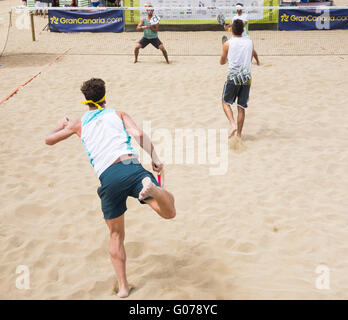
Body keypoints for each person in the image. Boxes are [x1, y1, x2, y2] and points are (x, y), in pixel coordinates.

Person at [45, 78, 176, 298]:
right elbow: (140, 135)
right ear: (105, 96)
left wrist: (61, 124)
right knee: (169, 212)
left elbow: (48, 140)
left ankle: (123, 287)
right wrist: (154, 158)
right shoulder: (118, 114)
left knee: (116, 235)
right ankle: (153, 189)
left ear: (85, 101)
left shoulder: (78, 123)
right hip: (130, 165)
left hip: (108, 177)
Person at [220, 19, 254, 139]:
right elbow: (249, 59)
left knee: (225, 102)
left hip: (234, 77)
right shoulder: (250, 42)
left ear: (232, 29)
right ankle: (239, 136)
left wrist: (224, 49)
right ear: (243, 30)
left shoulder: (228, 44)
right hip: (246, 77)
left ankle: (233, 124)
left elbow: (221, 62)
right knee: (241, 107)